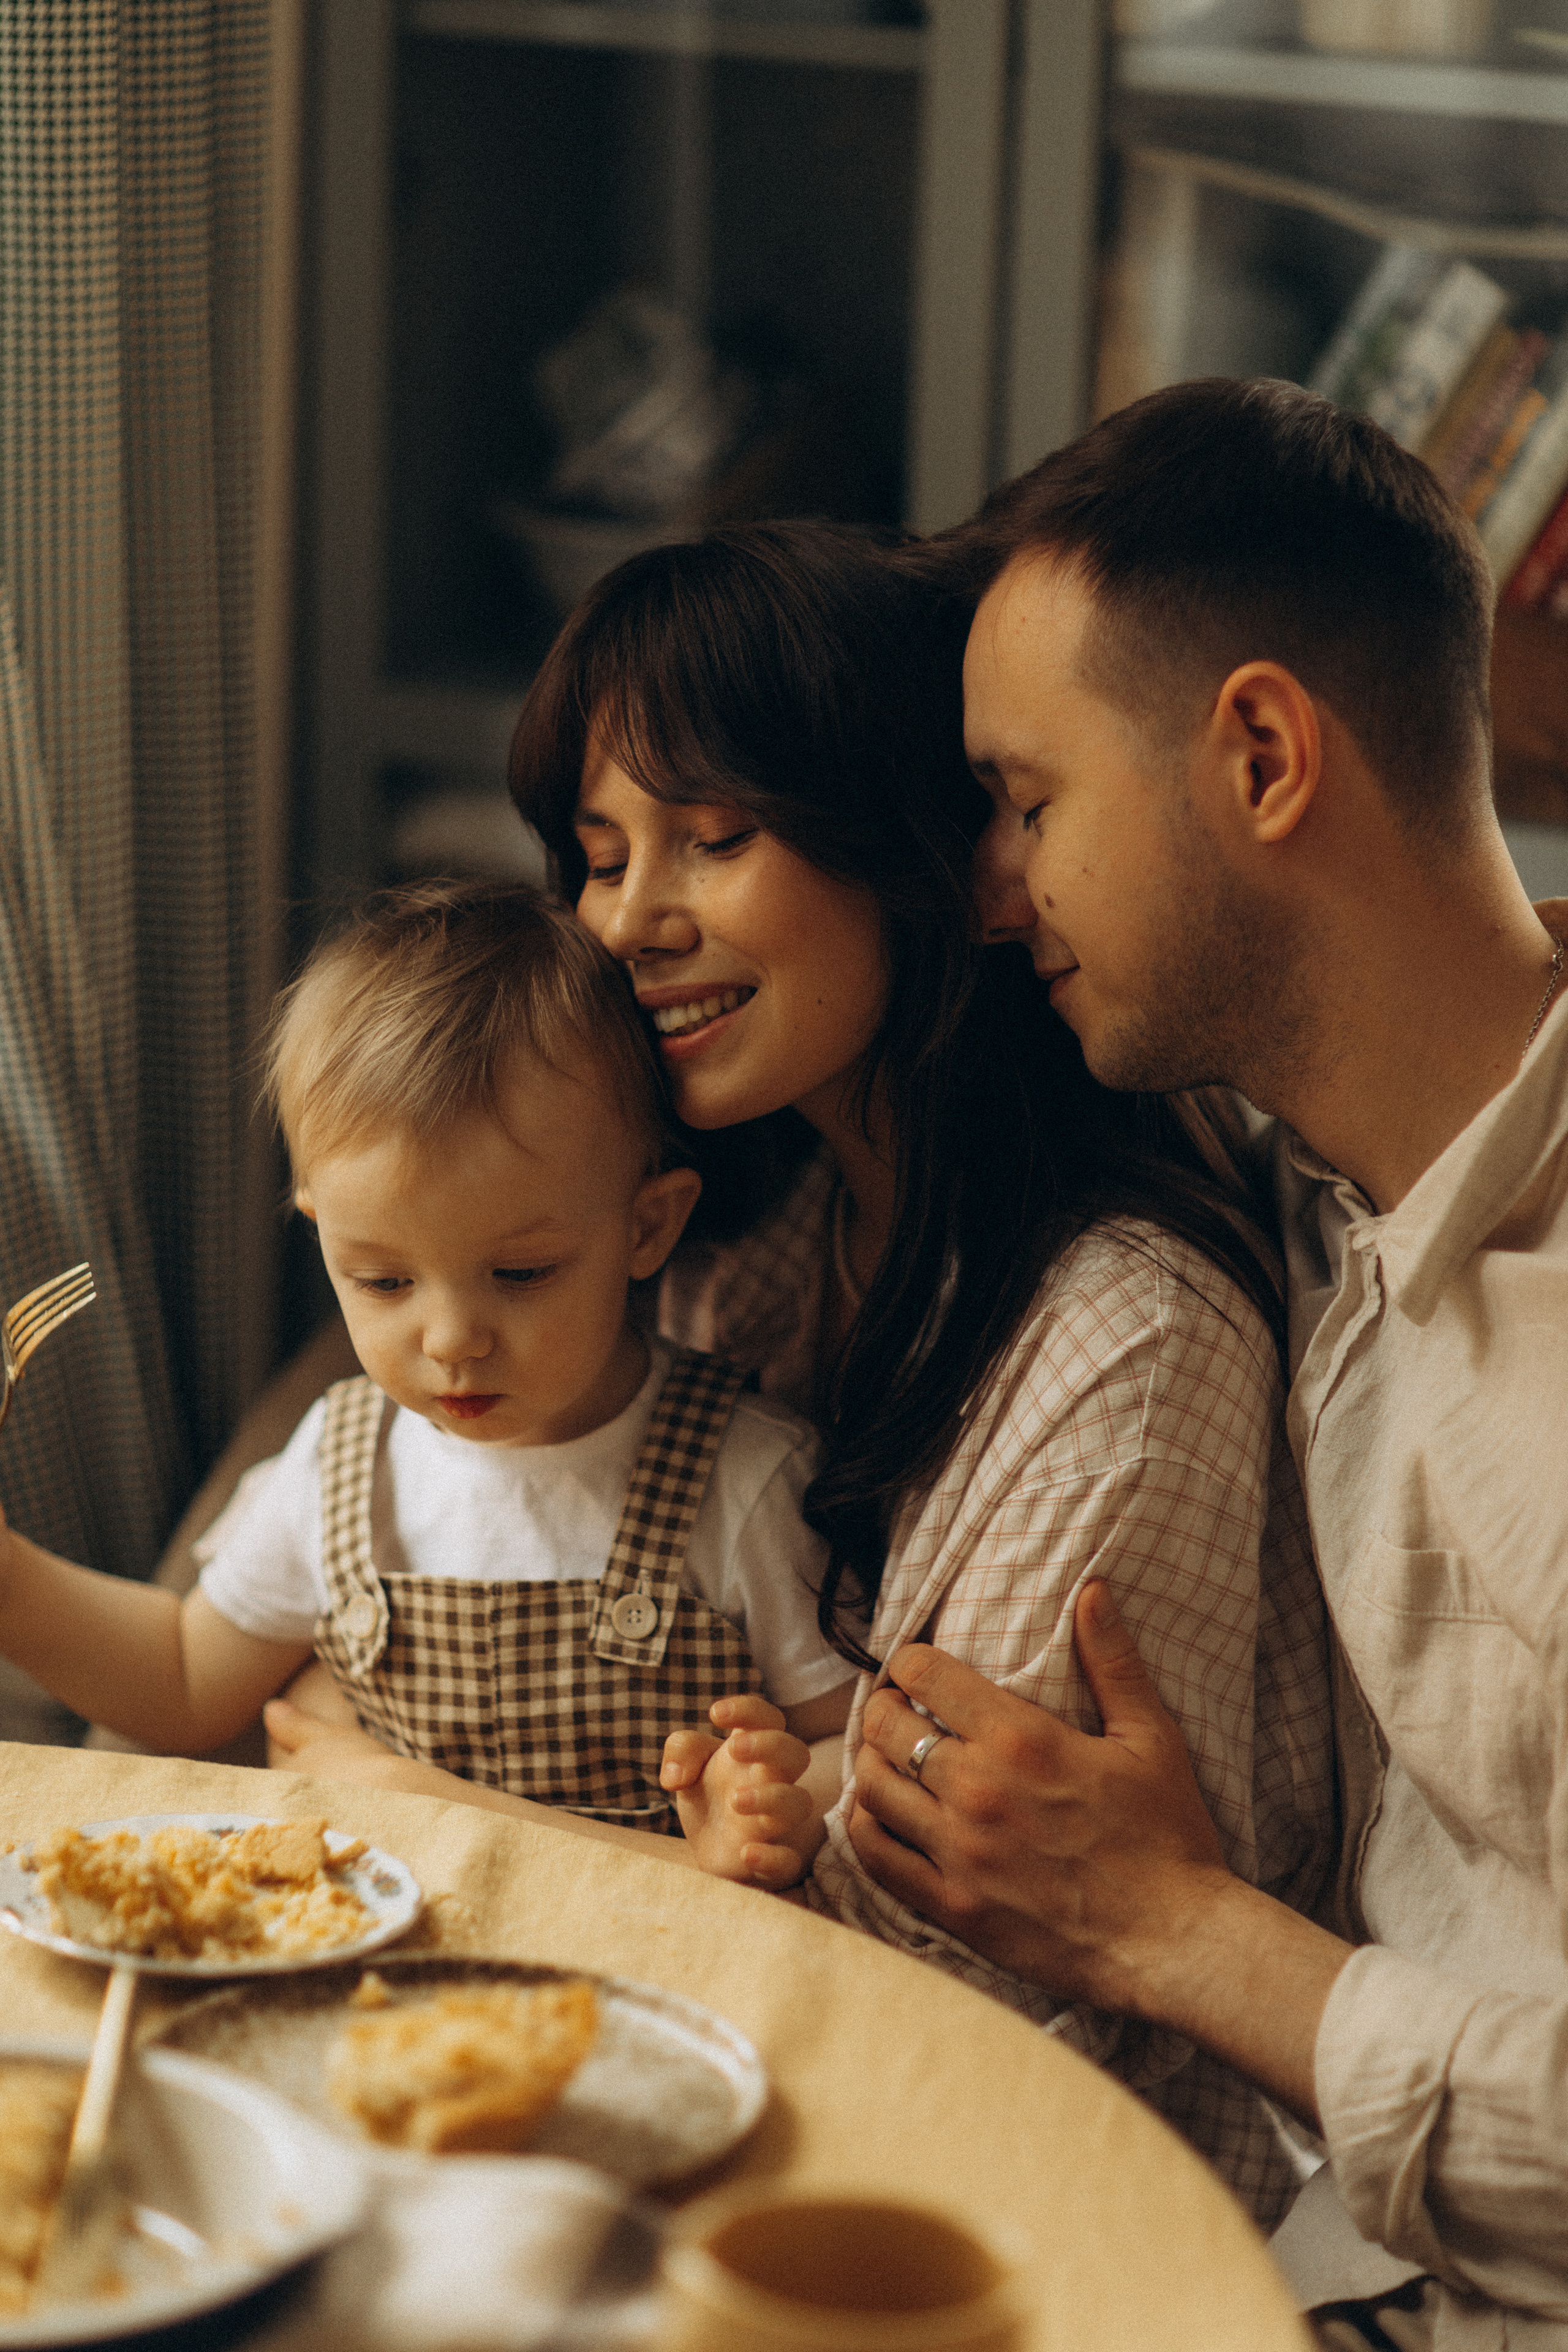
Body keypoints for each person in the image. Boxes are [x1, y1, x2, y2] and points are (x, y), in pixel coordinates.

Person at [496, 518, 1333, 2225]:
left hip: (1029, 2208)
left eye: (714, 840)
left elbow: (978, 1967)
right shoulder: (777, 1239)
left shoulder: (1130, 1340)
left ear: (916, 858)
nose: (631, 922)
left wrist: (415, 1801)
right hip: (765, 2091)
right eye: (597, 857)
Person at [845, 378, 1568, 2346]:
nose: (994, 898)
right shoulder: (1326, 1161)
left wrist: (1164, 1928)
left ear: (1259, 752)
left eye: (1030, 804)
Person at [0, 881, 853, 1843]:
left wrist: (771, 1801)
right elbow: (188, 1679)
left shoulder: (746, 1479)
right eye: (383, 1282)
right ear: (324, 1235)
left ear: (647, 1225)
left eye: (521, 1272)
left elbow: (847, 1746)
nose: (452, 1339)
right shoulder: (339, 1467)